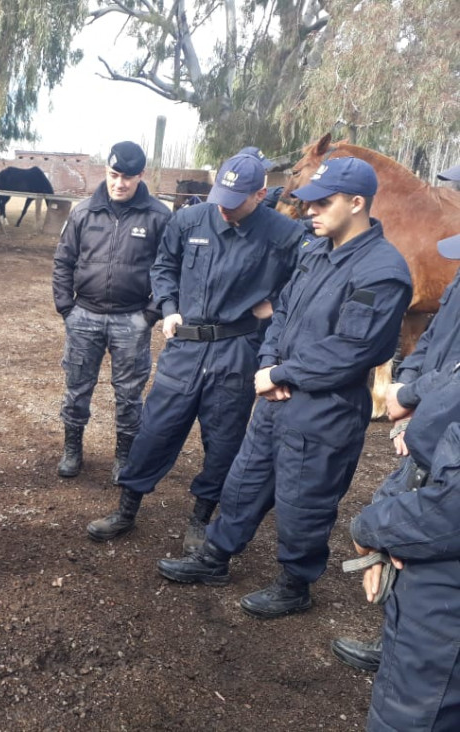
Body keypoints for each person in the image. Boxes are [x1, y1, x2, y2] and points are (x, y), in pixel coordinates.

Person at [156, 157, 413, 620]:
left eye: (322, 202)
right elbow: (282, 313)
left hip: (326, 408)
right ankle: (216, 557)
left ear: (357, 203)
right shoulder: (316, 251)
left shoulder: (382, 271)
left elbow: (356, 349)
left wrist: (281, 375)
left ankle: (295, 584)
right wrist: (271, 362)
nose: (309, 210)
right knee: (245, 480)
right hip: (278, 395)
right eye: (308, 201)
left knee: (304, 499)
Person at [86, 153, 307, 551]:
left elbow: (304, 286)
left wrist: (276, 305)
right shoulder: (189, 220)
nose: (224, 206)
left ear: (260, 193)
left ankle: (201, 518)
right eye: (220, 194)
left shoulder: (284, 235)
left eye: (236, 199)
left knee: (223, 441)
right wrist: (168, 308)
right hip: (185, 348)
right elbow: (163, 266)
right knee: (156, 430)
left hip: (236, 350)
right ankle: (126, 509)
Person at [332, 162, 460, 673]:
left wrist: (418, 406)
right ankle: (395, 642)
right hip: (429, 418)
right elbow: (431, 341)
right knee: (405, 520)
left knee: (417, 529)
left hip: (444, 429)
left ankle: (408, 652)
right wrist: (405, 390)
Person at [51, 141, 171, 483]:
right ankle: (72, 449)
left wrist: (150, 313)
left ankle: (123, 456)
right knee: (76, 387)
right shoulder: (84, 212)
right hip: (84, 316)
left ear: (141, 176)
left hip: (132, 319)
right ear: (106, 172)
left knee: (130, 393)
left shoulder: (158, 216)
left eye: (128, 177)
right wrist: (66, 307)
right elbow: (63, 261)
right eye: (114, 175)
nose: (120, 183)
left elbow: (168, 269)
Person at [348, 366, 460, 731]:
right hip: (431, 543)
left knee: (414, 718)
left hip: (446, 586)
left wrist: (372, 529)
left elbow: (451, 506)